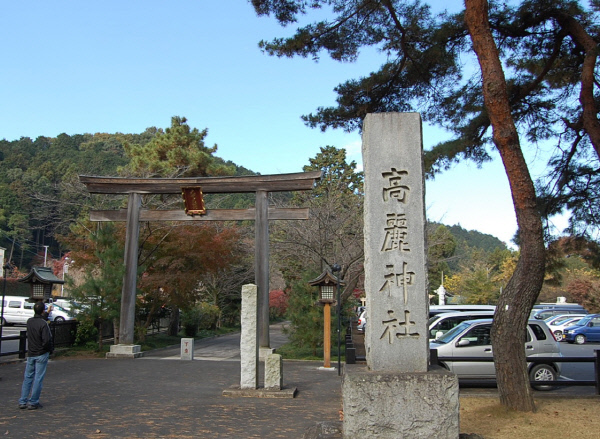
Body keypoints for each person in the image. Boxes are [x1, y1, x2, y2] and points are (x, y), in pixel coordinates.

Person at [18, 301, 54, 410]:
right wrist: (49, 350)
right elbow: (47, 340)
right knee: (38, 378)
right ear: (43, 310)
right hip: (41, 353)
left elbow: (39, 318)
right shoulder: (43, 324)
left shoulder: (30, 322)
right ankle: (33, 401)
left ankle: (23, 400)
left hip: (31, 352)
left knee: (28, 377)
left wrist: (46, 312)